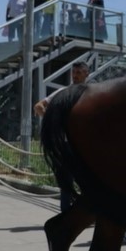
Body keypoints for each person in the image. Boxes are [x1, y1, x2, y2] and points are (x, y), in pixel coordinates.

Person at [34, 61, 90, 212]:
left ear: (87, 74)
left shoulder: (92, 93)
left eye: (79, 72)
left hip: (85, 145)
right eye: (74, 72)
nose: (75, 75)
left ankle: (84, 214)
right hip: (66, 144)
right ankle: (66, 214)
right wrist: (53, 121)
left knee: (87, 182)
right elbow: (39, 106)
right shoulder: (63, 92)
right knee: (66, 182)